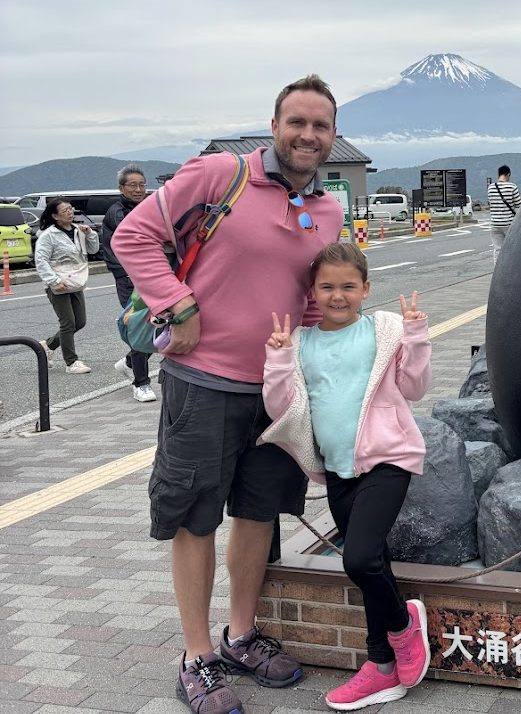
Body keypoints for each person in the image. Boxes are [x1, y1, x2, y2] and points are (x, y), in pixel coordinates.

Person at [112, 74, 345, 714]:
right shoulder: (221, 176)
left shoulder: (328, 210)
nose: (307, 135)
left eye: (320, 126)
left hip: (277, 390)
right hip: (204, 381)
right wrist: (177, 304)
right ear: (274, 126)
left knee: (258, 513)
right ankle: (196, 657)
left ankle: (240, 634)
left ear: (333, 137)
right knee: (194, 514)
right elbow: (132, 236)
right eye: (296, 122)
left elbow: (314, 303)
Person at [261, 242, 432, 710]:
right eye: (327, 286)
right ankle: (381, 668)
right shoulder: (300, 343)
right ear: (312, 291)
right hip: (338, 469)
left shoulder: (386, 331)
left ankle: (402, 630)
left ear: (366, 289)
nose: (338, 295)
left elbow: (415, 388)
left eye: (348, 286)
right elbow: (281, 408)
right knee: (373, 560)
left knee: (358, 560)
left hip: (388, 459)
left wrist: (416, 337)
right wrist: (276, 359)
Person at [101, 164, 155, 402]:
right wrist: (129, 273)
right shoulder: (117, 212)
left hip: (151, 275)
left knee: (157, 325)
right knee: (139, 324)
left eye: (142, 184)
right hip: (129, 278)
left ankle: (129, 363)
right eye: (132, 185)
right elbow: (128, 243)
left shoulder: (149, 205)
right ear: (121, 188)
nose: (138, 189)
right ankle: (141, 383)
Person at [34, 198, 98, 374]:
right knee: (68, 322)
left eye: (70, 209)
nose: (70, 212)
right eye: (65, 210)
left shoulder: (78, 230)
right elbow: (41, 260)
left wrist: (90, 234)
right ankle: (71, 362)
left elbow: (93, 250)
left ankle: (47, 346)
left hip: (75, 281)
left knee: (80, 322)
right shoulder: (48, 235)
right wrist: (53, 281)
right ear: (55, 216)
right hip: (58, 282)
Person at [487, 164, 521, 265]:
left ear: (498, 175)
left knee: (498, 249)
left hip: (495, 224)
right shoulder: (512, 186)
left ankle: (497, 272)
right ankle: (512, 268)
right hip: (509, 223)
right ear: (508, 174)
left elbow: (491, 203)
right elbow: (519, 204)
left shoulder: (491, 188)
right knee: (512, 247)